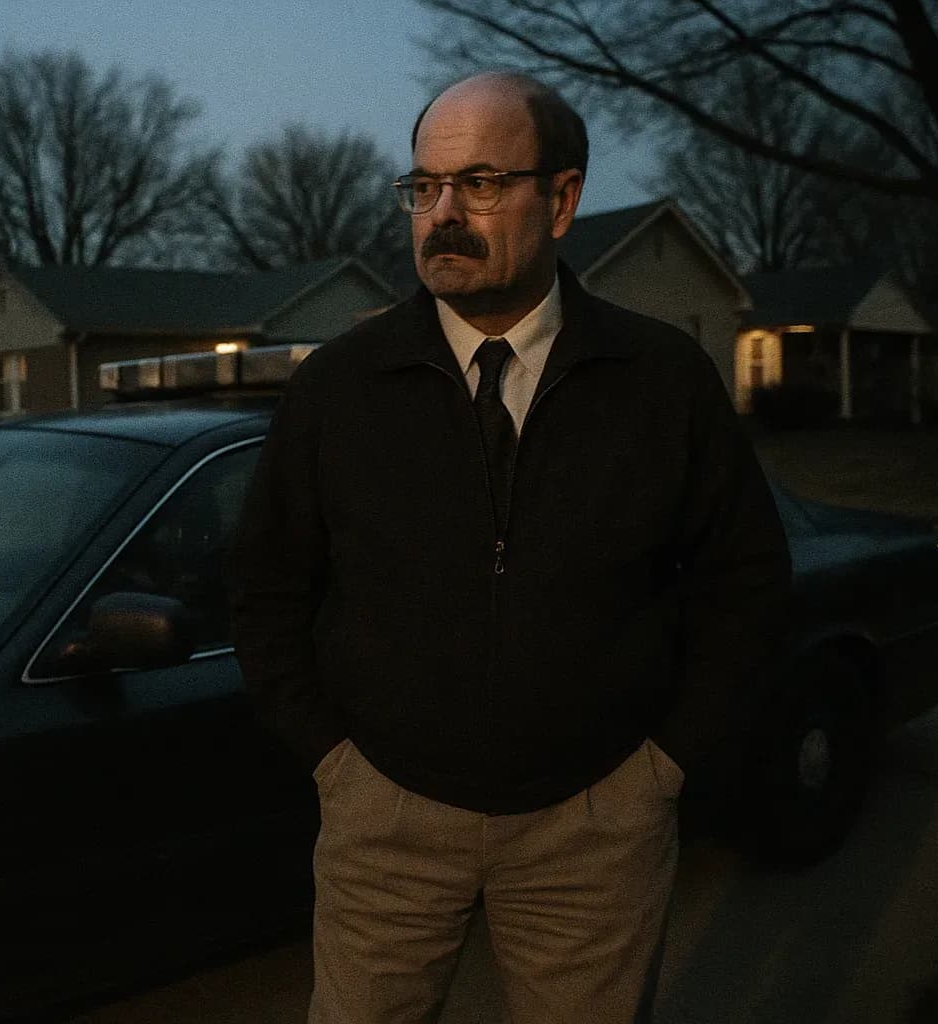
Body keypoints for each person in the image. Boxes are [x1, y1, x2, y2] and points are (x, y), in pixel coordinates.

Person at [229, 72, 792, 1024]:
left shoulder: (660, 379)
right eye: (424, 186)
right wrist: (338, 766)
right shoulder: (341, 386)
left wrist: (662, 770)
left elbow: (745, 583)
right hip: (387, 825)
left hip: (593, 829)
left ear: (563, 200)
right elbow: (265, 586)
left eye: (480, 184)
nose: (441, 214)